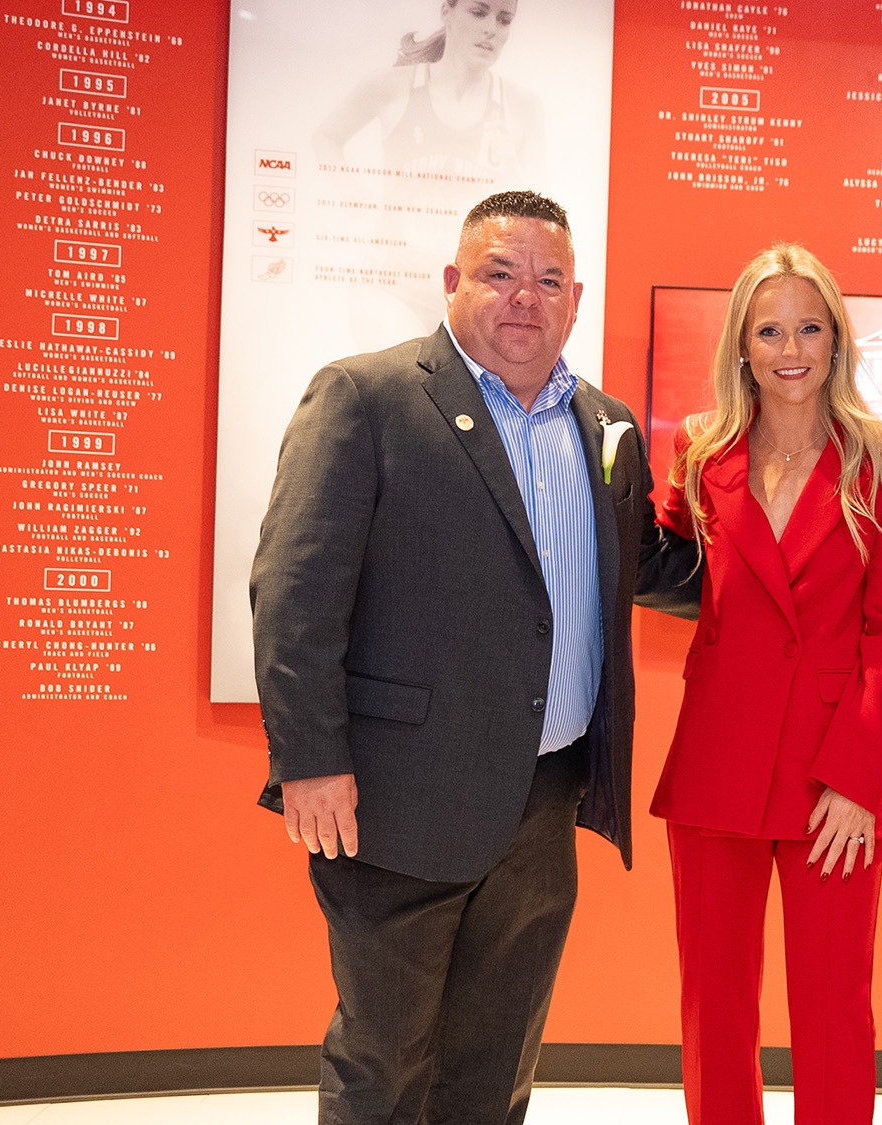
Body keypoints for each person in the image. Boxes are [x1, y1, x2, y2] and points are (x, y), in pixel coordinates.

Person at [251, 190, 697, 1125]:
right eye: (500, 274)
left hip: (544, 805)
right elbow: (294, 594)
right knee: (385, 1065)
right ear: (454, 283)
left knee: (496, 1067)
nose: (523, 298)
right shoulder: (367, 396)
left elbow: (650, 567)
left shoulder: (603, 425)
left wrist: (799, 545)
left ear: (576, 298)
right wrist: (310, 760)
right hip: (396, 800)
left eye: (547, 280)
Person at [650, 244, 882, 1125]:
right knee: (714, 1009)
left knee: (833, 1009)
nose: (790, 347)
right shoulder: (700, 455)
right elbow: (667, 562)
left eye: (810, 326)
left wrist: (855, 778)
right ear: (743, 345)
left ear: (839, 340)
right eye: (770, 329)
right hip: (715, 767)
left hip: (829, 779)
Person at [313, 0, 544, 338]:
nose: (491, 29)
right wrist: (354, 198)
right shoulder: (392, 86)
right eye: (479, 12)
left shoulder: (520, 107)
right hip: (391, 285)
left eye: (504, 19)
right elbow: (327, 136)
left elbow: (538, 208)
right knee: (402, 384)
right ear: (446, 12)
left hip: (473, 294)